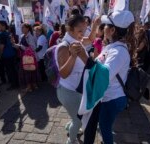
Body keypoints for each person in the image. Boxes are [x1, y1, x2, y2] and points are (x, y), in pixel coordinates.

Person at [78, 10, 136, 144]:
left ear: (113, 30)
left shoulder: (118, 52)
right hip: (108, 97)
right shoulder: (112, 47)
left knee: (105, 129)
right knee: (105, 126)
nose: (103, 28)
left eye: (105, 25)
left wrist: (84, 57)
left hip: (112, 99)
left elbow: (103, 75)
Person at [56, 14, 87, 144]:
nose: (83, 34)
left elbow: (87, 63)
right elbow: (63, 73)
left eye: (84, 30)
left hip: (76, 89)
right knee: (79, 119)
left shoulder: (77, 42)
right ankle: (71, 140)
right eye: (80, 31)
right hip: (68, 91)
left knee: (75, 115)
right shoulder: (64, 47)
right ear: (70, 29)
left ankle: (70, 126)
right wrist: (73, 56)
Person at [13, 23, 38, 92]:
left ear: (27, 28)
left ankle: (31, 86)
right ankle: (32, 85)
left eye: (23, 27)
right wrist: (15, 44)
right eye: (21, 28)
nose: (21, 29)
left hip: (29, 57)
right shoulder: (22, 36)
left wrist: (21, 46)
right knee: (28, 71)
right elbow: (21, 45)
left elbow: (33, 48)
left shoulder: (31, 36)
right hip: (24, 56)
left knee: (29, 71)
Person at [0, 21, 19, 90]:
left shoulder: (2, 34)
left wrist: (0, 55)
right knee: (13, 70)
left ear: (3, 26)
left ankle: (13, 85)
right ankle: (16, 83)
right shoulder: (9, 33)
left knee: (10, 71)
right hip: (12, 54)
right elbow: (13, 43)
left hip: (7, 55)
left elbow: (1, 47)